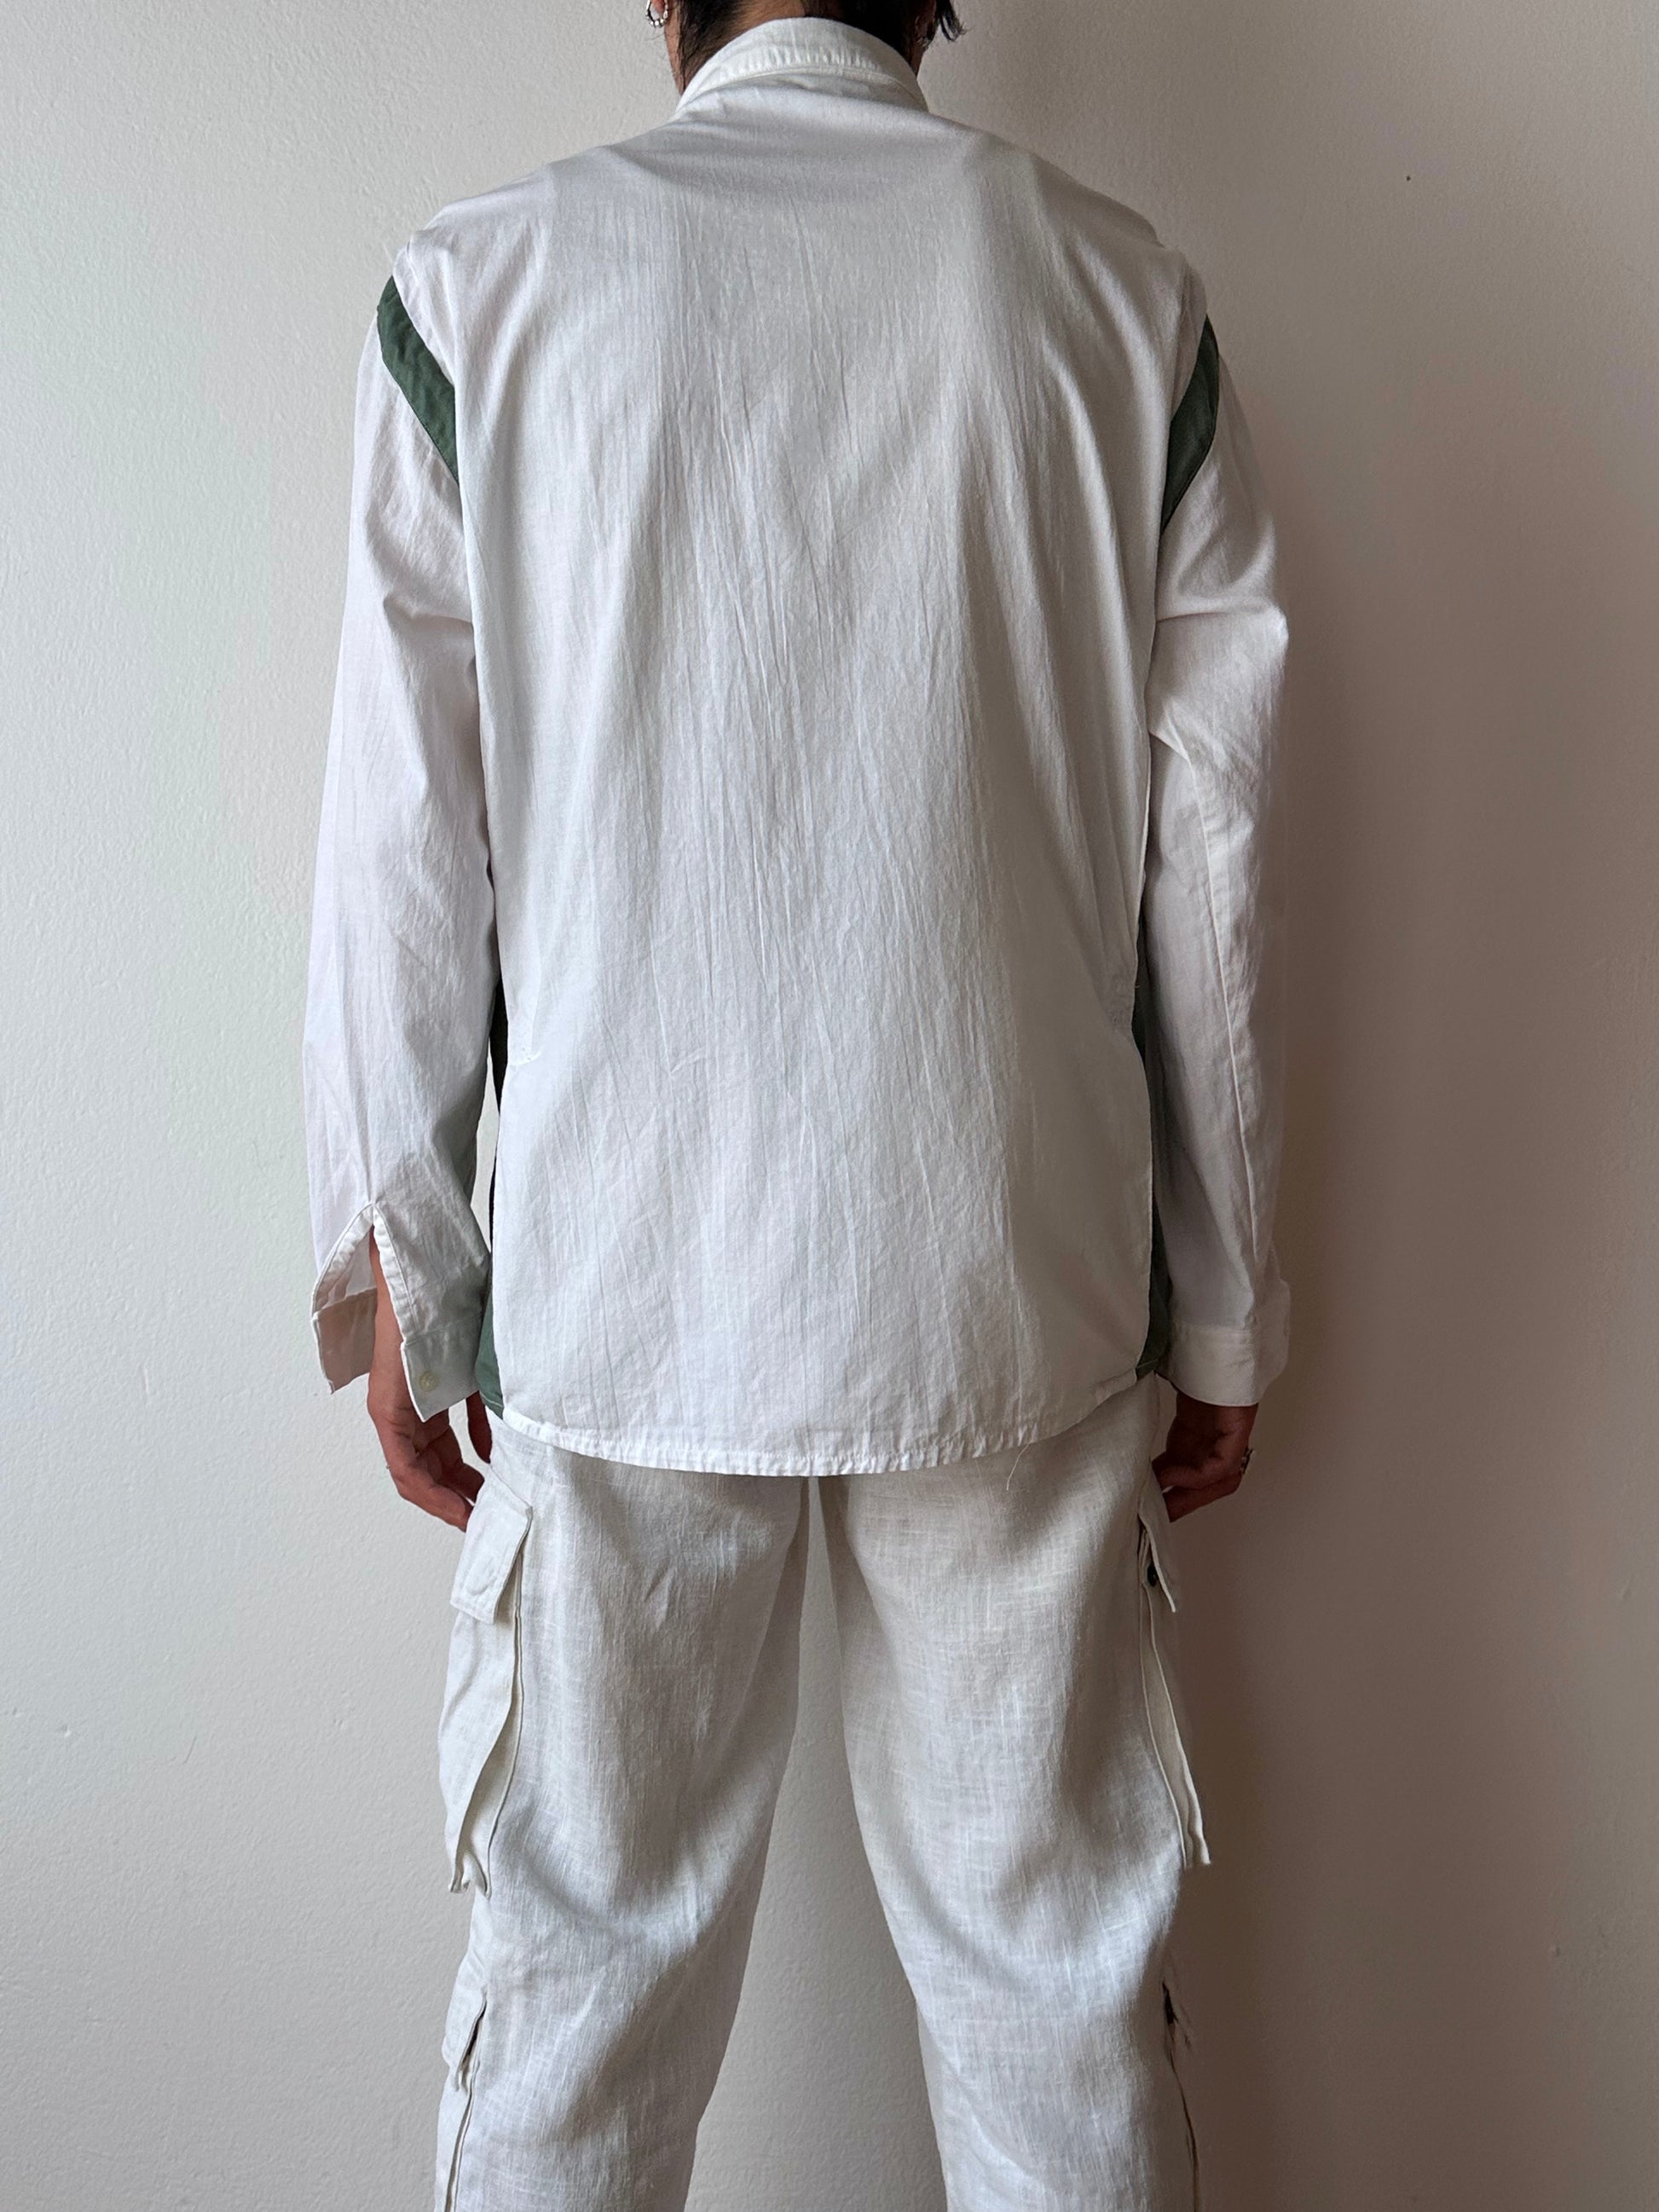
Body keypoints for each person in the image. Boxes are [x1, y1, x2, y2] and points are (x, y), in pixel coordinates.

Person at [303, 0, 1290, 2203]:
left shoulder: (483, 295)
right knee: (1054, 2002)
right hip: (1012, 1279)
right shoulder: (1118, 305)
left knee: (578, 2005)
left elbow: (401, 852)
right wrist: (1218, 1305)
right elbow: (1212, 858)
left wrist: (407, 1277)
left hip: (617, 1281)